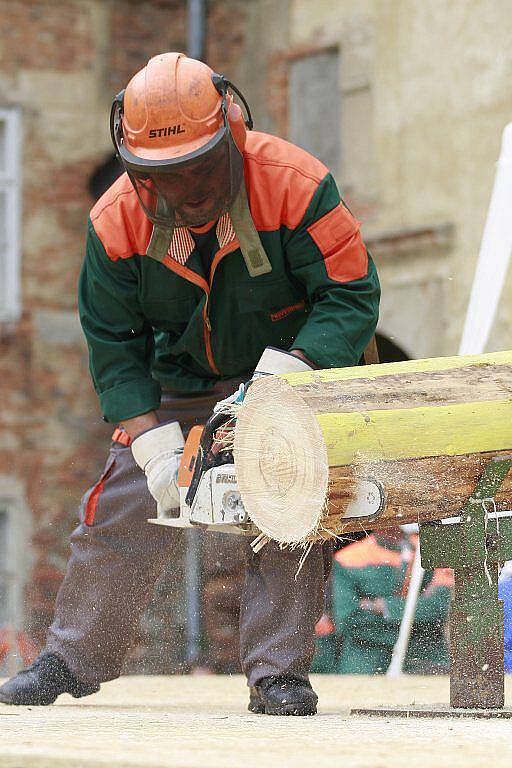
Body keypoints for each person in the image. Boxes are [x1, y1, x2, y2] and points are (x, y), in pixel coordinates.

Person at [0, 52, 380, 714]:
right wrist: (151, 448)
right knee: (120, 501)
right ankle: (75, 655)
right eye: (166, 177)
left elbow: (350, 293)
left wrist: (291, 370)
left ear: (231, 138)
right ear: (138, 169)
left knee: (288, 500)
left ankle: (277, 673)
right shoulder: (115, 222)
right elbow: (113, 348)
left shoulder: (295, 184)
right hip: (177, 378)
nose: (188, 190)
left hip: (290, 366)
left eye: (202, 170)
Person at [331, 527, 452, 674]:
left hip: (425, 661)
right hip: (366, 663)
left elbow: (439, 608)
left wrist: (384, 607)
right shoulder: (349, 558)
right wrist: (413, 628)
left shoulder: (431, 550)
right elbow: (348, 621)